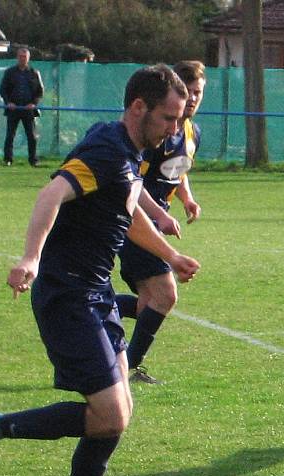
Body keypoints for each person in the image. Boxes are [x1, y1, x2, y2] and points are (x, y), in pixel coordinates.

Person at [0, 64, 200, 476]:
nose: (176, 128)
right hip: (68, 295)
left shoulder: (126, 152)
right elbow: (52, 193)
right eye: (169, 118)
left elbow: (125, 211)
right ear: (139, 108)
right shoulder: (106, 150)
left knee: (119, 412)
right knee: (109, 414)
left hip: (96, 293)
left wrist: (169, 254)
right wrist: (30, 257)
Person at [116, 60, 206, 384]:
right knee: (165, 296)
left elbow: (178, 173)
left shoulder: (192, 132)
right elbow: (133, 183)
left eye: (198, 93)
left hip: (156, 221)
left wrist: (187, 199)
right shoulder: (157, 133)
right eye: (189, 91)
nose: (194, 99)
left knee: (148, 305)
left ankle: (87, 305)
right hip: (137, 221)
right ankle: (127, 366)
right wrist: (158, 214)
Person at [0, 47, 45, 167]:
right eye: (20, 56)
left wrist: (34, 104)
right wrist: (8, 102)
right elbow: (3, 89)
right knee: (10, 135)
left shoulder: (34, 73)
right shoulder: (10, 72)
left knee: (32, 136)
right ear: (17, 57)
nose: (22, 59)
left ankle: (33, 160)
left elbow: (40, 91)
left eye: (24, 57)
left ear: (28, 58)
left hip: (28, 110)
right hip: (13, 109)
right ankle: (8, 159)